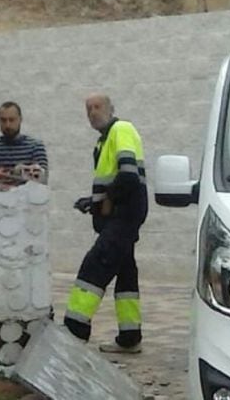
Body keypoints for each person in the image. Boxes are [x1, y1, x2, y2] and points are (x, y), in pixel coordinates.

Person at [64, 93, 148, 353]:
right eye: (88, 108)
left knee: (95, 267)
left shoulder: (121, 129)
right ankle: (130, 336)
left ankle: (73, 332)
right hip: (122, 215)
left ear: (111, 109)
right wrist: (93, 201)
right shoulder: (103, 142)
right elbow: (115, 180)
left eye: (97, 107)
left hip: (123, 216)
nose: (92, 112)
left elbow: (128, 177)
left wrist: (107, 200)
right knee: (125, 274)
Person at [0, 101, 48, 182]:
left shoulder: (36, 146)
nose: (7, 125)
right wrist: (20, 172)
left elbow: (41, 179)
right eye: (3, 120)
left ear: (20, 119)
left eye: (11, 120)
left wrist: (9, 173)